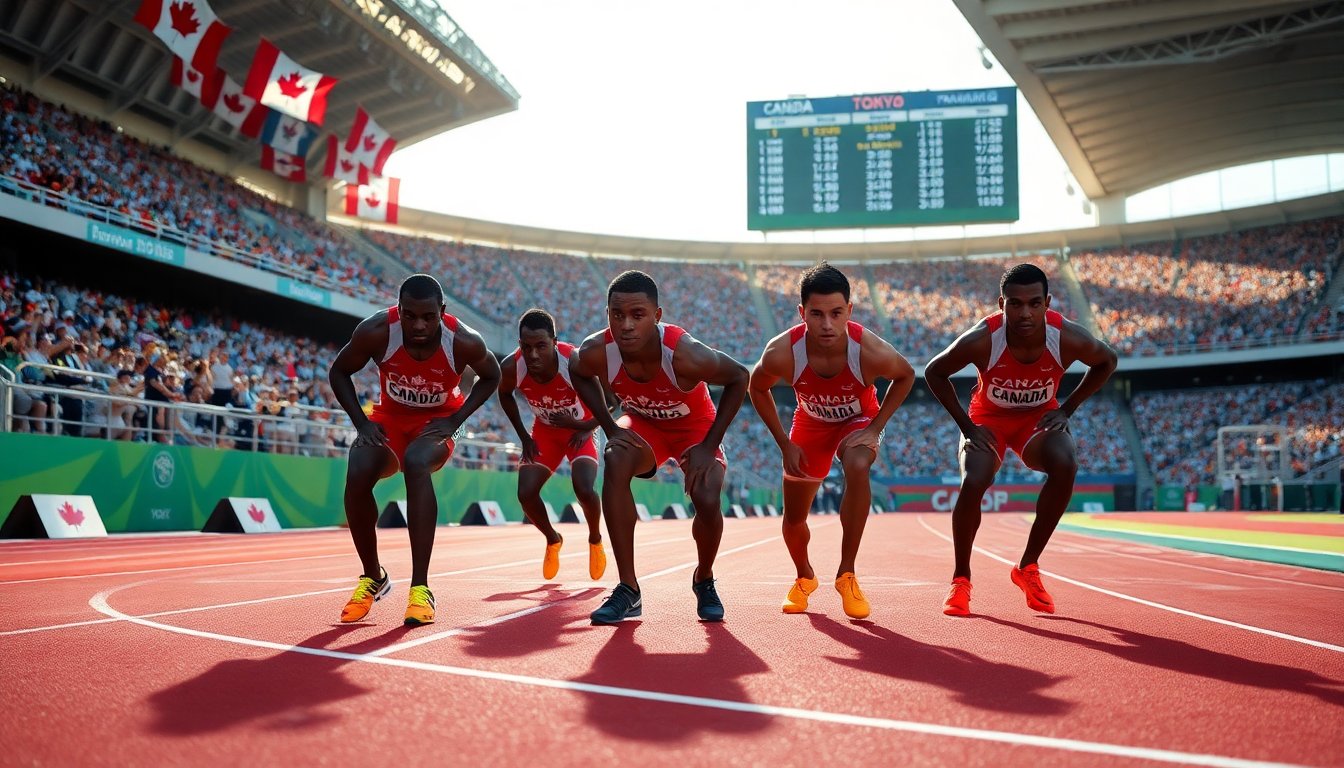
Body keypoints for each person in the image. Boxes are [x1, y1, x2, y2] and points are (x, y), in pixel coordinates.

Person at [925, 263, 1117, 617]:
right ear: (1002, 304)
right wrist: (967, 426)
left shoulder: (1068, 337)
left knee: (1066, 462)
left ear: (1047, 302)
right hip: (989, 419)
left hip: (1037, 417)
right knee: (975, 479)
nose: (1024, 313)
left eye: (1033, 303)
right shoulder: (984, 338)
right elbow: (934, 371)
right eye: (1015, 303)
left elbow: (1107, 361)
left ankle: (1027, 567)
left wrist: (1068, 409)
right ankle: (961, 579)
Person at [570, 270, 748, 624]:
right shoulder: (596, 350)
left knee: (708, 497)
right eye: (617, 315)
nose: (627, 325)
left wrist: (708, 445)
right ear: (608, 315)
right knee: (614, 455)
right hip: (644, 423)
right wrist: (607, 425)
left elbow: (740, 376)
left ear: (657, 316)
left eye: (638, 315)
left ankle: (704, 578)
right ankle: (628, 589)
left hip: (693, 426)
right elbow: (576, 368)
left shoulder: (685, 354)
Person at [329, 274, 501, 627]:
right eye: (409, 316)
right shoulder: (376, 331)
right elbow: (339, 371)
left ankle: (420, 587)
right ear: (399, 309)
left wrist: (457, 420)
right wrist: (362, 424)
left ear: (442, 311)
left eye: (427, 317)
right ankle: (372, 576)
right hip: (390, 416)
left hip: (438, 420)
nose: (418, 325)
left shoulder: (464, 340)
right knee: (359, 465)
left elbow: (492, 376)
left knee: (417, 461)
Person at [748, 262, 914, 619]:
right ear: (801, 313)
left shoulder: (869, 350)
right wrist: (784, 443)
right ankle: (804, 577)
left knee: (857, 463)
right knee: (794, 517)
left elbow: (906, 376)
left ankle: (847, 573)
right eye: (817, 314)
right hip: (809, 424)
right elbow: (756, 387)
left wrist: (874, 428)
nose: (826, 324)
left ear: (849, 311)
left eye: (836, 313)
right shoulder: (782, 352)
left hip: (857, 421)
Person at [497, 308, 607, 582]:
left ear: (555, 342)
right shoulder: (513, 366)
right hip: (545, 432)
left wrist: (585, 427)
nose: (533, 355)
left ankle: (595, 539)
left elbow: (609, 403)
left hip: (580, 431)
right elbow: (504, 394)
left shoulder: (574, 362)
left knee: (583, 487)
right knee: (525, 493)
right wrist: (523, 436)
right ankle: (553, 538)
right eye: (526, 347)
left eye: (541, 346)